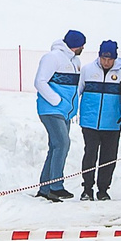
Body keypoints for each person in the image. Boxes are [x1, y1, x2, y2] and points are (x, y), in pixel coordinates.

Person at [33, 29, 85, 201]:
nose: (83, 48)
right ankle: (56, 186)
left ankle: (45, 187)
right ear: (75, 45)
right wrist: (56, 101)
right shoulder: (52, 57)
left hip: (65, 112)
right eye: (82, 45)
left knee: (55, 146)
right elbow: (40, 81)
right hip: (51, 109)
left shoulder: (75, 61)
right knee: (62, 143)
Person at [77, 39, 121, 201]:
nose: (106, 62)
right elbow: (78, 92)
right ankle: (87, 188)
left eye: (110, 59)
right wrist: (71, 112)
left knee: (109, 156)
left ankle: (103, 189)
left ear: (115, 58)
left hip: (112, 122)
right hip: (90, 121)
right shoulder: (87, 70)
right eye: (103, 58)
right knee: (90, 154)